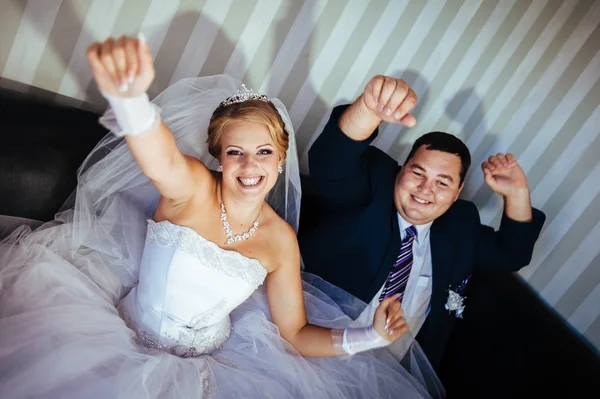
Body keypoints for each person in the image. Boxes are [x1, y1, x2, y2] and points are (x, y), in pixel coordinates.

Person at [0, 37, 444, 398]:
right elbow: (160, 156)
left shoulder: (280, 240)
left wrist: (371, 337)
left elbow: (294, 333)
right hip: (120, 338)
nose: (250, 167)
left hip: (219, 366)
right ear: (218, 158)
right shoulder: (191, 187)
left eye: (263, 153)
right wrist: (131, 100)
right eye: (236, 152)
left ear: (281, 158)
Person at [299, 75, 546, 372]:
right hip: (313, 347)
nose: (425, 189)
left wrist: (518, 193)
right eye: (418, 173)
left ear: (457, 193)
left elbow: (512, 254)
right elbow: (330, 162)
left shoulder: (460, 225)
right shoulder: (373, 184)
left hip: (393, 377)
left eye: (443, 182)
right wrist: (369, 109)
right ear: (401, 171)